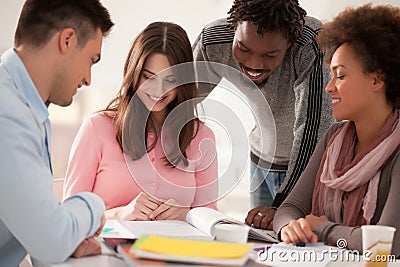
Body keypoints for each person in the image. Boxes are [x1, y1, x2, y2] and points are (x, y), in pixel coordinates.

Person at [193, 0, 334, 229]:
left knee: (296, 245)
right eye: (244, 48)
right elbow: (180, 100)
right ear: (234, 28)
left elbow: (313, 128)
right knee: (260, 244)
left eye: (270, 55)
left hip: (311, 169)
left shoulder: (311, 43)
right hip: (261, 161)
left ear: (289, 43)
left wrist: (283, 204)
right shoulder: (213, 40)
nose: (254, 64)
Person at [273, 4, 400, 256]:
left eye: (340, 76)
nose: (329, 87)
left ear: (376, 80)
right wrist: (290, 228)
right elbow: (289, 208)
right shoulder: (333, 138)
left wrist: (322, 229)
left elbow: (390, 244)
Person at [63, 22, 218, 222]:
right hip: (110, 251)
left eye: (170, 80)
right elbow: (69, 215)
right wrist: (119, 214)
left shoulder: (202, 137)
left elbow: (211, 218)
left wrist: (189, 216)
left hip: (175, 251)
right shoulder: (97, 128)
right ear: (133, 73)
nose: (158, 90)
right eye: (148, 78)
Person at [0, 0, 114, 266]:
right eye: (91, 60)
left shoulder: (27, 107)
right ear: (67, 40)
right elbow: (51, 240)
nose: (88, 79)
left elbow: (43, 234)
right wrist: (93, 206)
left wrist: (63, 238)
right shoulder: (8, 112)